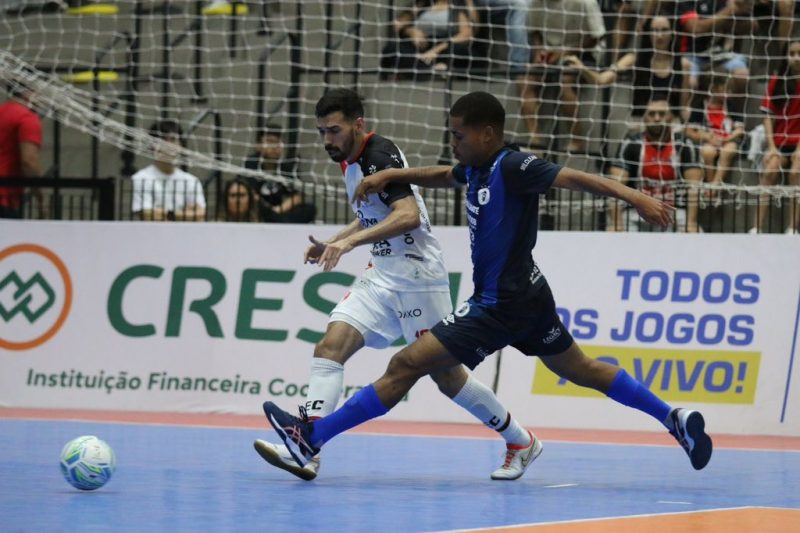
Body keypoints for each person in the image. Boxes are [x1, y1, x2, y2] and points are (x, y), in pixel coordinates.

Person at [261, 91, 713, 476]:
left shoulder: (513, 166)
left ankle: (313, 437)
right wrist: (393, 175)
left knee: (405, 365)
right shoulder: (474, 168)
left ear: (488, 135)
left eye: (459, 136)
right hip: (530, 297)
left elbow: (576, 179)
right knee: (582, 368)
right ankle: (673, 416)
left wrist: (635, 197)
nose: (453, 143)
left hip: (498, 305)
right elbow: (441, 175)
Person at [254, 88, 539, 482]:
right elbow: (372, 214)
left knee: (448, 377)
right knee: (330, 347)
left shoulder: (377, 157)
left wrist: (350, 244)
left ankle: (520, 440)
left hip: (418, 277)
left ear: (358, 125)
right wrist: (338, 240)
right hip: (381, 274)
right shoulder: (349, 159)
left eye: (333, 131)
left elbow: (407, 216)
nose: (326, 140)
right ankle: (307, 445)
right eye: (321, 131)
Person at [564, 15, 691, 120]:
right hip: (640, 126)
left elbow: (683, 108)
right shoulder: (633, 59)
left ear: (673, 33)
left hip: (671, 128)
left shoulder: (683, 65)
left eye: (664, 30)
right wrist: (582, 67)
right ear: (648, 33)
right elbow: (602, 80)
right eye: (654, 30)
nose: (659, 35)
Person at [518, 0, 606, 152]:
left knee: (565, 80)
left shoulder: (585, 3)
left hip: (584, 54)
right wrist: (539, 53)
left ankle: (577, 140)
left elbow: (596, 36)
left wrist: (565, 53)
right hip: (551, 54)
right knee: (524, 80)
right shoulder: (536, 3)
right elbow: (535, 32)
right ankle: (535, 140)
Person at [607, 96, 704, 232]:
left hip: (675, 213)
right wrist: (616, 223)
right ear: (644, 117)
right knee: (613, 236)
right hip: (636, 212)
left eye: (662, 114)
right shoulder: (631, 143)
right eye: (652, 114)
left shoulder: (684, 144)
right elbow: (615, 186)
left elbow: (694, 187)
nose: (657, 118)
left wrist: (692, 223)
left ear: (671, 117)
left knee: (696, 237)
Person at [752, 39, 800, 234]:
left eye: (799, 53)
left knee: (796, 172)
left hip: (799, 143)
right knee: (770, 170)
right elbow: (767, 117)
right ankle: (756, 227)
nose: (796, 58)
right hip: (779, 141)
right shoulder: (777, 80)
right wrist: (771, 148)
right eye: (792, 53)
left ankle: (793, 228)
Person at [684, 68, 745, 203]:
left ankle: (715, 185)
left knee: (728, 150)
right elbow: (689, 130)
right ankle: (710, 185)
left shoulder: (730, 105)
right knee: (707, 152)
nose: (727, 93)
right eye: (725, 89)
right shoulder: (700, 105)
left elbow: (740, 129)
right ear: (713, 88)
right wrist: (706, 136)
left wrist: (726, 139)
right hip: (710, 141)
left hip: (728, 140)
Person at [381, 0, 483, 77]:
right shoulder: (423, 3)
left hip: (447, 47)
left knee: (459, 52)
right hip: (421, 47)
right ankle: (433, 71)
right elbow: (399, 24)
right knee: (392, 48)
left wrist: (436, 50)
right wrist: (411, 31)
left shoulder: (460, 5)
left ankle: (432, 71)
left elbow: (467, 34)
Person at [131, 120, 206, 221]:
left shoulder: (192, 181)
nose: (168, 145)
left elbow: (200, 215)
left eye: (173, 139)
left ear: (181, 145)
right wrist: (183, 213)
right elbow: (147, 215)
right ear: (152, 146)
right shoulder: (141, 178)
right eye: (162, 140)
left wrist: (165, 213)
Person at [241, 125, 316, 223]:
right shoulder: (250, 164)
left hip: (279, 211)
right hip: (257, 210)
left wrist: (277, 210)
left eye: (278, 142)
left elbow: (296, 197)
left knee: (309, 209)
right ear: (258, 146)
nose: (274, 147)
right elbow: (249, 192)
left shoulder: (288, 167)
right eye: (270, 142)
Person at [0, 83, 43, 219]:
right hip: (5, 196)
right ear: (28, 93)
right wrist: (39, 196)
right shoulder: (27, 118)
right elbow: (29, 161)